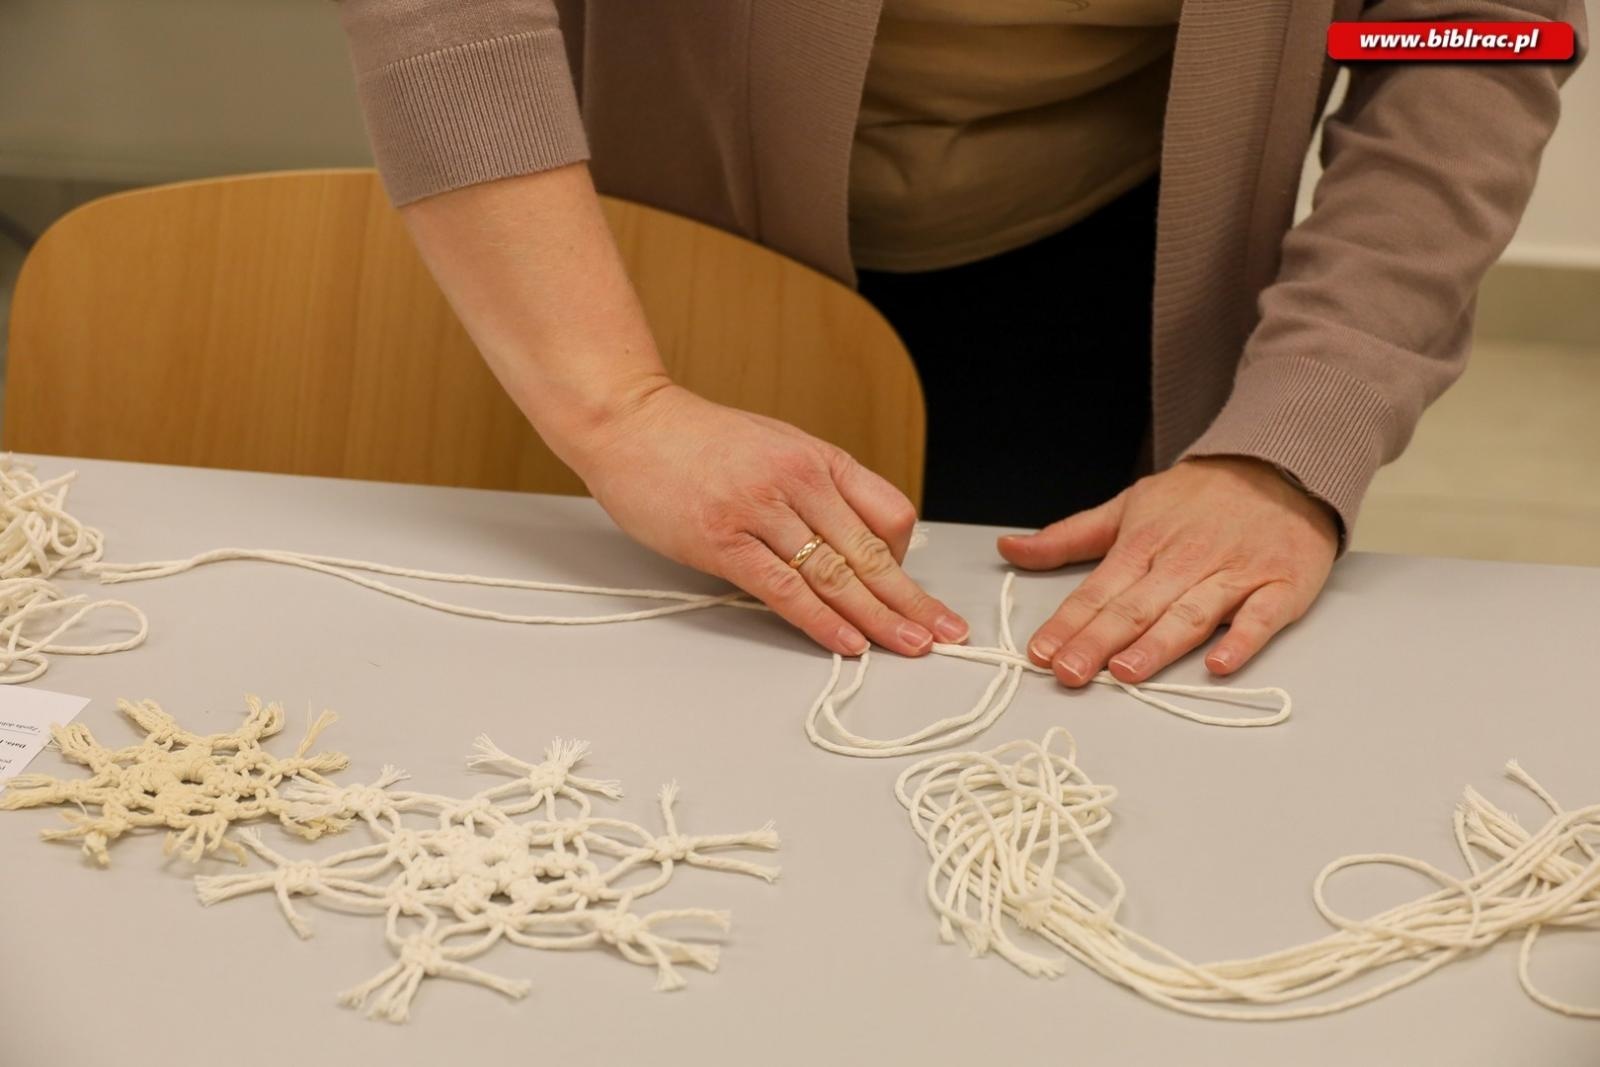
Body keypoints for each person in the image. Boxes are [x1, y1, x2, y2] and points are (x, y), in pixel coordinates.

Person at [334, 0, 1584, 688]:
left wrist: (1290, 438)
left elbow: (1464, 29)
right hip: (619, 249)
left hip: (1091, 262)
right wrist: (617, 403)